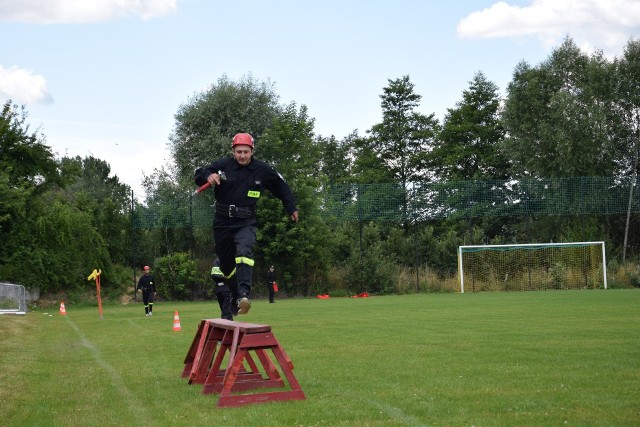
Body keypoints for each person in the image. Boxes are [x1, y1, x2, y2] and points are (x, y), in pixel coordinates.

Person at [194, 132, 298, 316]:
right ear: (233, 151)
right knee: (226, 267)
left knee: (244, 251)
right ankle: (236, 297)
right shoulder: (222, 165)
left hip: (246, 222)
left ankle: (243, 294)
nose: (242, 155)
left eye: (246, 152)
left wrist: (291, 208)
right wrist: (208, 176)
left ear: (252, 151)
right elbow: (200, 174)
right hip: (222, 222)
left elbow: (282, 187)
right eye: (239, 151)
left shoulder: (263, 170)